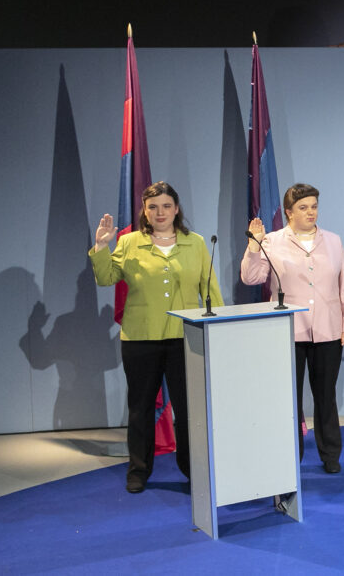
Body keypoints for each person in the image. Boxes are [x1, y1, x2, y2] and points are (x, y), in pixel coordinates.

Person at [89, 181, 222, 493]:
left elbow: (210, 290)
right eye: (153, 207)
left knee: (188, 409)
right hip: (139, 339)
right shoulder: (129, 242)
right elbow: (106, 277)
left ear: (176, 209)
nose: (160, 212)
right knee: (141, 408)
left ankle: (194, 469)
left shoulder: (197, 243)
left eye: (166, 206)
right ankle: (139, 470)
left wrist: (216, 327)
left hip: (186, 337)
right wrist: (101, 247)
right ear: (144, 212)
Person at [241, 183, 344, 474]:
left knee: (326, 396)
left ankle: (331, 454)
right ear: (289, 212)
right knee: (288, 398)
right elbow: (251, 278)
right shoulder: (272, 241)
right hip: (287, 332)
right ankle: (291, 454)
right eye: (303, 208)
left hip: (328, 330)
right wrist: (254, 245)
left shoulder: (333, 240)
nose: (310, 212)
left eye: (314, 206)